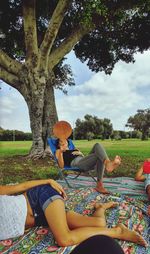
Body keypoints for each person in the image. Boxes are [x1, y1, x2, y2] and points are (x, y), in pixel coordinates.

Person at [0, 179, 148, 247]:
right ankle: (100, 208)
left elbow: (21, 186)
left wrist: (48, 181)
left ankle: (118, 231)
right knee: (99, 223)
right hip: (41, 218)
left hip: (39, 198)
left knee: (64, 239)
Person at [55, 139, 121, 194]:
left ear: (67, 142)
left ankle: (107, 163)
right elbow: (61, 166)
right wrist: (61, 152)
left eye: (64, 140)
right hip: (76, 163)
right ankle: (100, 183)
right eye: (60, 141)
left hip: (83, 160)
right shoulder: (58, 151)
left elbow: (84, 158)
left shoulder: (73, 148)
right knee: (98, 156)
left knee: (97, 145)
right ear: (58, 144)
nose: (63, 141)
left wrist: (80, 153)